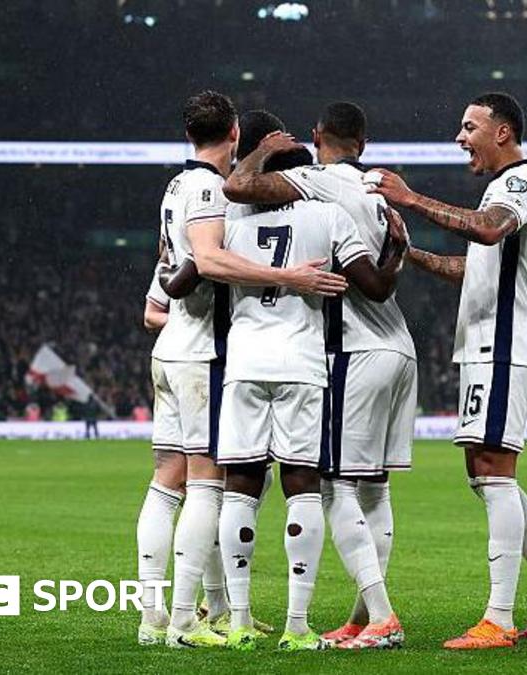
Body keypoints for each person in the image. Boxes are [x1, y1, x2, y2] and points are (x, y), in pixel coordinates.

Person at [373, 92, 527, 649]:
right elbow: (475, 265)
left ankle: (499, 618)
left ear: (503, 132)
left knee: (493, 471)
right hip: (486, 345)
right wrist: (410, 253)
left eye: (469, 127)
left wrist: (410, 198)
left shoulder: (525, 181)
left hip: (505, 344)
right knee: (485, 473)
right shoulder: (500, 190)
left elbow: (488, 231)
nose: (460, 137)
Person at [141, 93, 339, 650]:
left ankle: (164, 615)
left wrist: (181, 294)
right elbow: (206, 261)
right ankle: (184, 621)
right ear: (232, 132)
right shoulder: (215, 196)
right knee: (209, 486)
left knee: (167, 483)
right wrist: (289, 277)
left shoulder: (176, 188)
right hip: (205, 353)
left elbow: (158, 300)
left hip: (175, 349)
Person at [223, 101, 416, 650]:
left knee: (329, 485)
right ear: (364, 142)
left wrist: (261, 154)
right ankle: (360, 617)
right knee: (372, 489)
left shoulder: (312, 186)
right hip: (397, 346)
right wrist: (400, 252)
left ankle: (379, 616)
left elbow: (238, 190)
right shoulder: (375, 191)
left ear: (314, 138)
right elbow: (379, 284)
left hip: (347, 348)